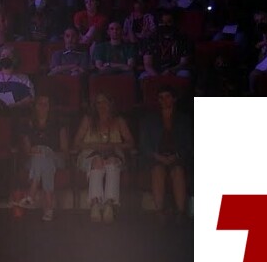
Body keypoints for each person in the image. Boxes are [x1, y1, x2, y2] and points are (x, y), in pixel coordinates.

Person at [73, 93, 134, 224]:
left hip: (113, 153)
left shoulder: (118, 121)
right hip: (90, 154)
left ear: (110, 104)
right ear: (94, 106)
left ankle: (109, 205)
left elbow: (130, 143)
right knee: (97, 162)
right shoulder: (88, 120)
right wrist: (95, 145)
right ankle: (95, 204)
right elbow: (76, 143)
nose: (101, 106)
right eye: (98, 103)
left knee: (112, 162)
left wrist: (113, 145)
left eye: (104, 102)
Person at [139, 87, 193, 218]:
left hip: (177, 156)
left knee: (178, 171)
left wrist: (177, 155)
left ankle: (180, 212)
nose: (164, 100)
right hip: (157, 156)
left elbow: (189, 142)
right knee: (158, 170)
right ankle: (159, 212)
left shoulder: (184, 119)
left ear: (174, 99)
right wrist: (156, 156)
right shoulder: (150, 119)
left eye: (167, 96)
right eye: (161, 97)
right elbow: (144, 143)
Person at [16, 94, 68, 222]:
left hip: (56, 159)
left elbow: (64, 150)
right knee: (42, 158)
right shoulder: (27, 124)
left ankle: (32, 192)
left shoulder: (58, 124)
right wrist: (35, 151)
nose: (43, 107)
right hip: (32, 160)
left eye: (46, 104)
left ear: (50, 107)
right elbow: (27, 150)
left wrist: (47, 152)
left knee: (44, 153)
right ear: (35, 106)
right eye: (40, 104)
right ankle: (48, 205)